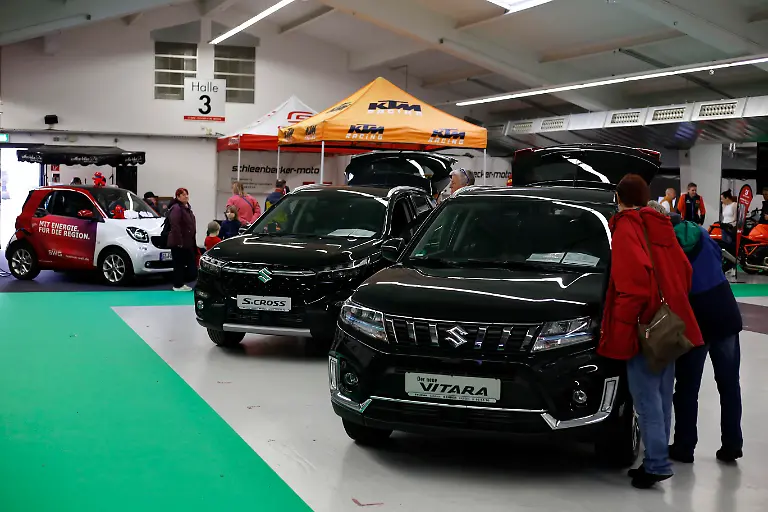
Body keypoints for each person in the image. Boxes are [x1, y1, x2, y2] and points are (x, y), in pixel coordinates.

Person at [599, 175, 702, 489]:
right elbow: (685, 270)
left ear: (619, 196)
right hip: (668, 323)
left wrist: (623, 324)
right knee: (661, 396)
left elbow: (632, 286)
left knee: (645, 400)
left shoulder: (627, 226)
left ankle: (656, 463)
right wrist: (669, 305)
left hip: (644, 326)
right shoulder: (661, 224)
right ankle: (654, 458)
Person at [648, 202, 743, 464]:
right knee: (729, 385)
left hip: (694, 318)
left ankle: (684, 447)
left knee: (688, 388)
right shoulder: (700, 232)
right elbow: (718, 261)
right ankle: (732, 444)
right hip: (724, 311)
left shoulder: (662, 245)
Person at [167, 187, 197, 292]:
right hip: (178, 242)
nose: (186, 196)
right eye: (184, 195)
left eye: (187, 194)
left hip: (187, 242)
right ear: (178, 196)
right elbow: (175, 225)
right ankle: (178, 285)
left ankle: (181, 283)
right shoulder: (176, 208)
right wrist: (179, 241)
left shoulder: (186, 208)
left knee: (186, 263)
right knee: (178, 264)